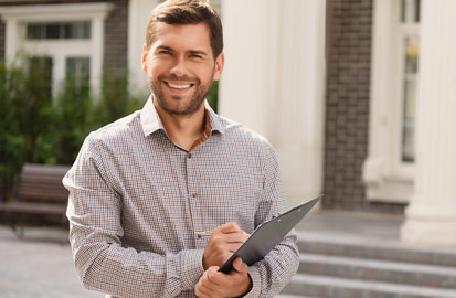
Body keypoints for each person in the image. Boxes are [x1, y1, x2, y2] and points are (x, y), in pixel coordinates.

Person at [63, 0, 299, 297]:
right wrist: (198, 262)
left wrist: (247, 283)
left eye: (195, 55)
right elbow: (94, 262)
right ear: (145, 58)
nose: (179, 69)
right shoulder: (103, 151)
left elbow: (285, 250)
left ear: (218, 65)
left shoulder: (257, 152)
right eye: (166, 52)